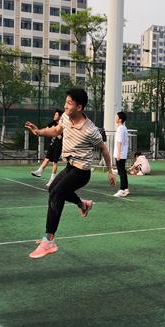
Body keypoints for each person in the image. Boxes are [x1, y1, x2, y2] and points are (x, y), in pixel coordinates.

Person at [25, 87, 116, 259]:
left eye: (69, 103)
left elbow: (104, 149)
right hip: (69, 166)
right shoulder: (66, 117)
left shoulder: (90, 130)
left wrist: (110, 171)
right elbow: (56, 130)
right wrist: (38, 132)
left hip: (82, 172)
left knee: (57, 194)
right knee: (52, 189)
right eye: (65, 102)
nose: (65, 106)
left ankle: (49, 240)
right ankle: (83, 204)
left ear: (79, 107)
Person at [30, 109, 64, 187]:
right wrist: (37, 131)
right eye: (54, 114)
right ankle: (39, 171)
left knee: (55, 162)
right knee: (47, 158)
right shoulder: (52, 123)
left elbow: (60, 137)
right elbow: (45, 130)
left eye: (56, 115)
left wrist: (55, 131)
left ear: (60, 117)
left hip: (58, 145)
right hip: (52, 144)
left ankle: (52, 180)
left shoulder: (62, 126)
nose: (54, 116)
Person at [113, 111, 130, 197]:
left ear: (120, 119)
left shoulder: (120, 129)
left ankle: (122, 189)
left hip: (120, 154)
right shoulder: (124, 128)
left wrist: (118, 154)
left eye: (116, 117)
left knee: (121, 172)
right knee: (122, 171)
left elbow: (119, 142)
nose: (115, 118)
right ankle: (125, 189)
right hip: (122, 153)